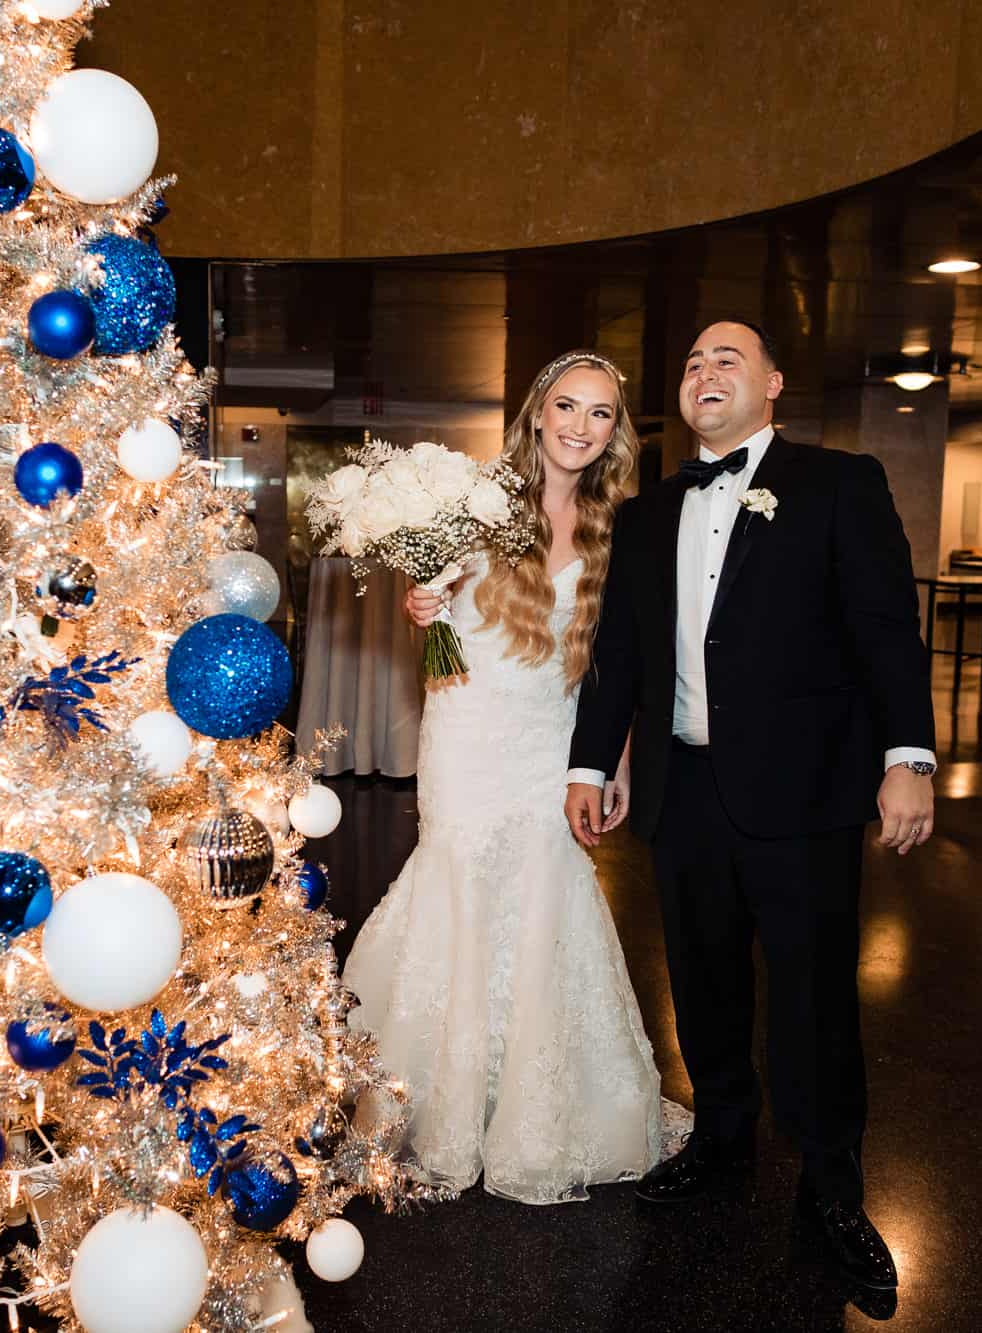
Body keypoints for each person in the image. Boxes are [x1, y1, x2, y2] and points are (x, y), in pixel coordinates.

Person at [565, 319, 935, 1295]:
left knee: (812, 993)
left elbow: (886, 630)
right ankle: (721, 1138)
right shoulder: (648, 513)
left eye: (725, 357)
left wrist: (907, 756)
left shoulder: (838, 483)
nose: (702, 371)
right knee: (700, 976)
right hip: (684, 791)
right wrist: (590, 762)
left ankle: (829, 1180)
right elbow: (619, 655)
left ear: (772, 382)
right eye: (688, 361)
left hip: (806, 787)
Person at [342, 350, 669, 1205]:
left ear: (614, 432)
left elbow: (613, 665)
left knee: (544, 893)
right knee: (457, 879)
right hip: (470, 731)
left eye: (600, 414)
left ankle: (538, 1105)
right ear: (536, 412)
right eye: (567, 406)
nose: (580, 426)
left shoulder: (616, 526)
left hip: (555, 745)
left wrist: (613, 759)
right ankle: (441, 1101)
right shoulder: (478, 506)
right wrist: (426, 606)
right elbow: (434, 610)